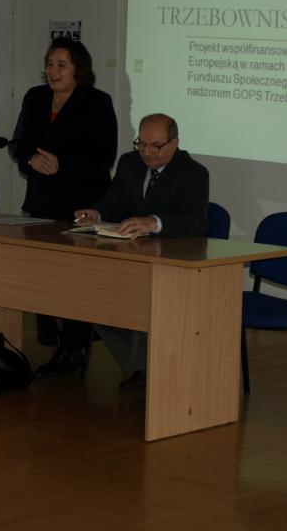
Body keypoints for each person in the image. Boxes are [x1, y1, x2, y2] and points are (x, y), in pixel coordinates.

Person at [74, 113, 209, 390]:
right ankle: (146, 366)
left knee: (140, 298)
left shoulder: (193, 173)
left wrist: (154, 222)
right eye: (142, 144)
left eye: (155, 146)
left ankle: (146, 369)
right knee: (91, 300)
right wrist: (96, 213)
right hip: (132, 256)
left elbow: (196, 222)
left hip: (173, 262)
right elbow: (114, 202)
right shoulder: (129, 163)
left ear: (174, 143)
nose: (147, 152)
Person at [9, 36, 118, 375]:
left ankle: (74, 348)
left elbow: (104, 156)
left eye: (61, 65)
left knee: (74, 279)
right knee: (45, 276)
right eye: (49, 64)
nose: (52, 71)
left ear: (78, 71)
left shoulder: (97, 102)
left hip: (80, 203)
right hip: (41, 202)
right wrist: (30, 159)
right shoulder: (35, 96)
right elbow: (17, 143)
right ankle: (56, 342)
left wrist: (63, 164)